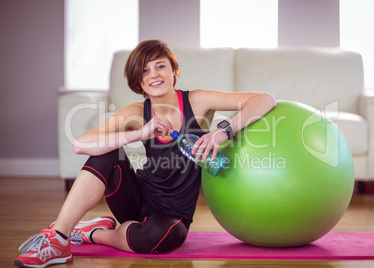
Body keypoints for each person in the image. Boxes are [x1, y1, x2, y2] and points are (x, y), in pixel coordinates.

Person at [15, 39, 277, 267]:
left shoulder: (196, 101)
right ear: (138, 81)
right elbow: (81, 143)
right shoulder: (137, 113)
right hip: (137, 201)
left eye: (160, 65)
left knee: (157, 239)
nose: (154, 74)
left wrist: (222, 131)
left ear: (174, 70)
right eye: (144, 70)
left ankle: (92, 233)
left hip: (173, 216)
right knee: (106, 149)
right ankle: (58, 238)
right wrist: (139, 133)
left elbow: (265, 99)